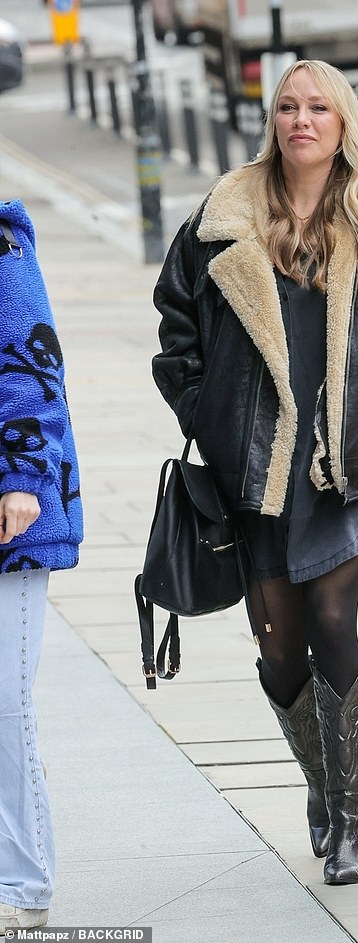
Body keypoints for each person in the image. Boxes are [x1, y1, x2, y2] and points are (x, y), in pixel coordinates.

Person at [152, 59, 358, 885]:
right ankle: (322, 785)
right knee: (280, 650)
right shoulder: (222, 218)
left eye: (318, 107)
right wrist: (209, 418)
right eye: (287, 106)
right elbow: (176, 333)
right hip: (256, 476)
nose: (300, 119)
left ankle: (354, 822)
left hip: (342, 474)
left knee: (332, 618)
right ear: (271, 119)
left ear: (345, 122)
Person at [0, 201, 83, 931]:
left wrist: (23, 477)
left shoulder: (0, 241)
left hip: (8, 514)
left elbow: (33, 362)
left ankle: (23, 885)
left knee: (4, 702)